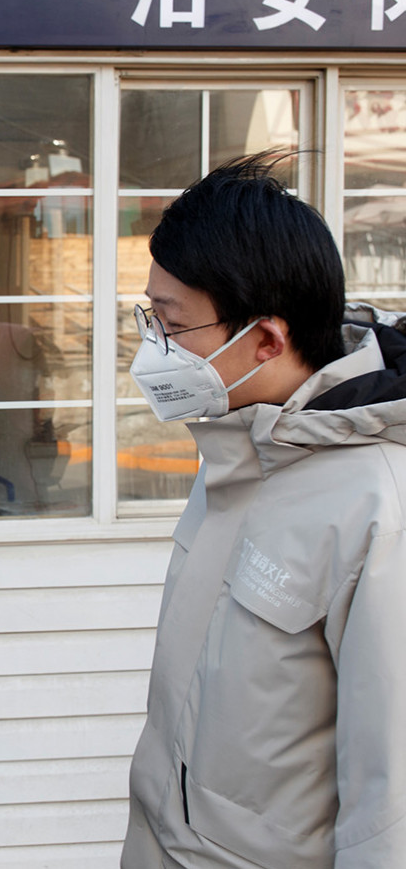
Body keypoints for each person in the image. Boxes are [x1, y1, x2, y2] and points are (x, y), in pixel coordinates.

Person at [123, 153, 406, 867]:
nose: (152, 349)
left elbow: (391, 805)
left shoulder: (378, 504)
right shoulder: (237, 448)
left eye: (171, 324)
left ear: (267, 340)